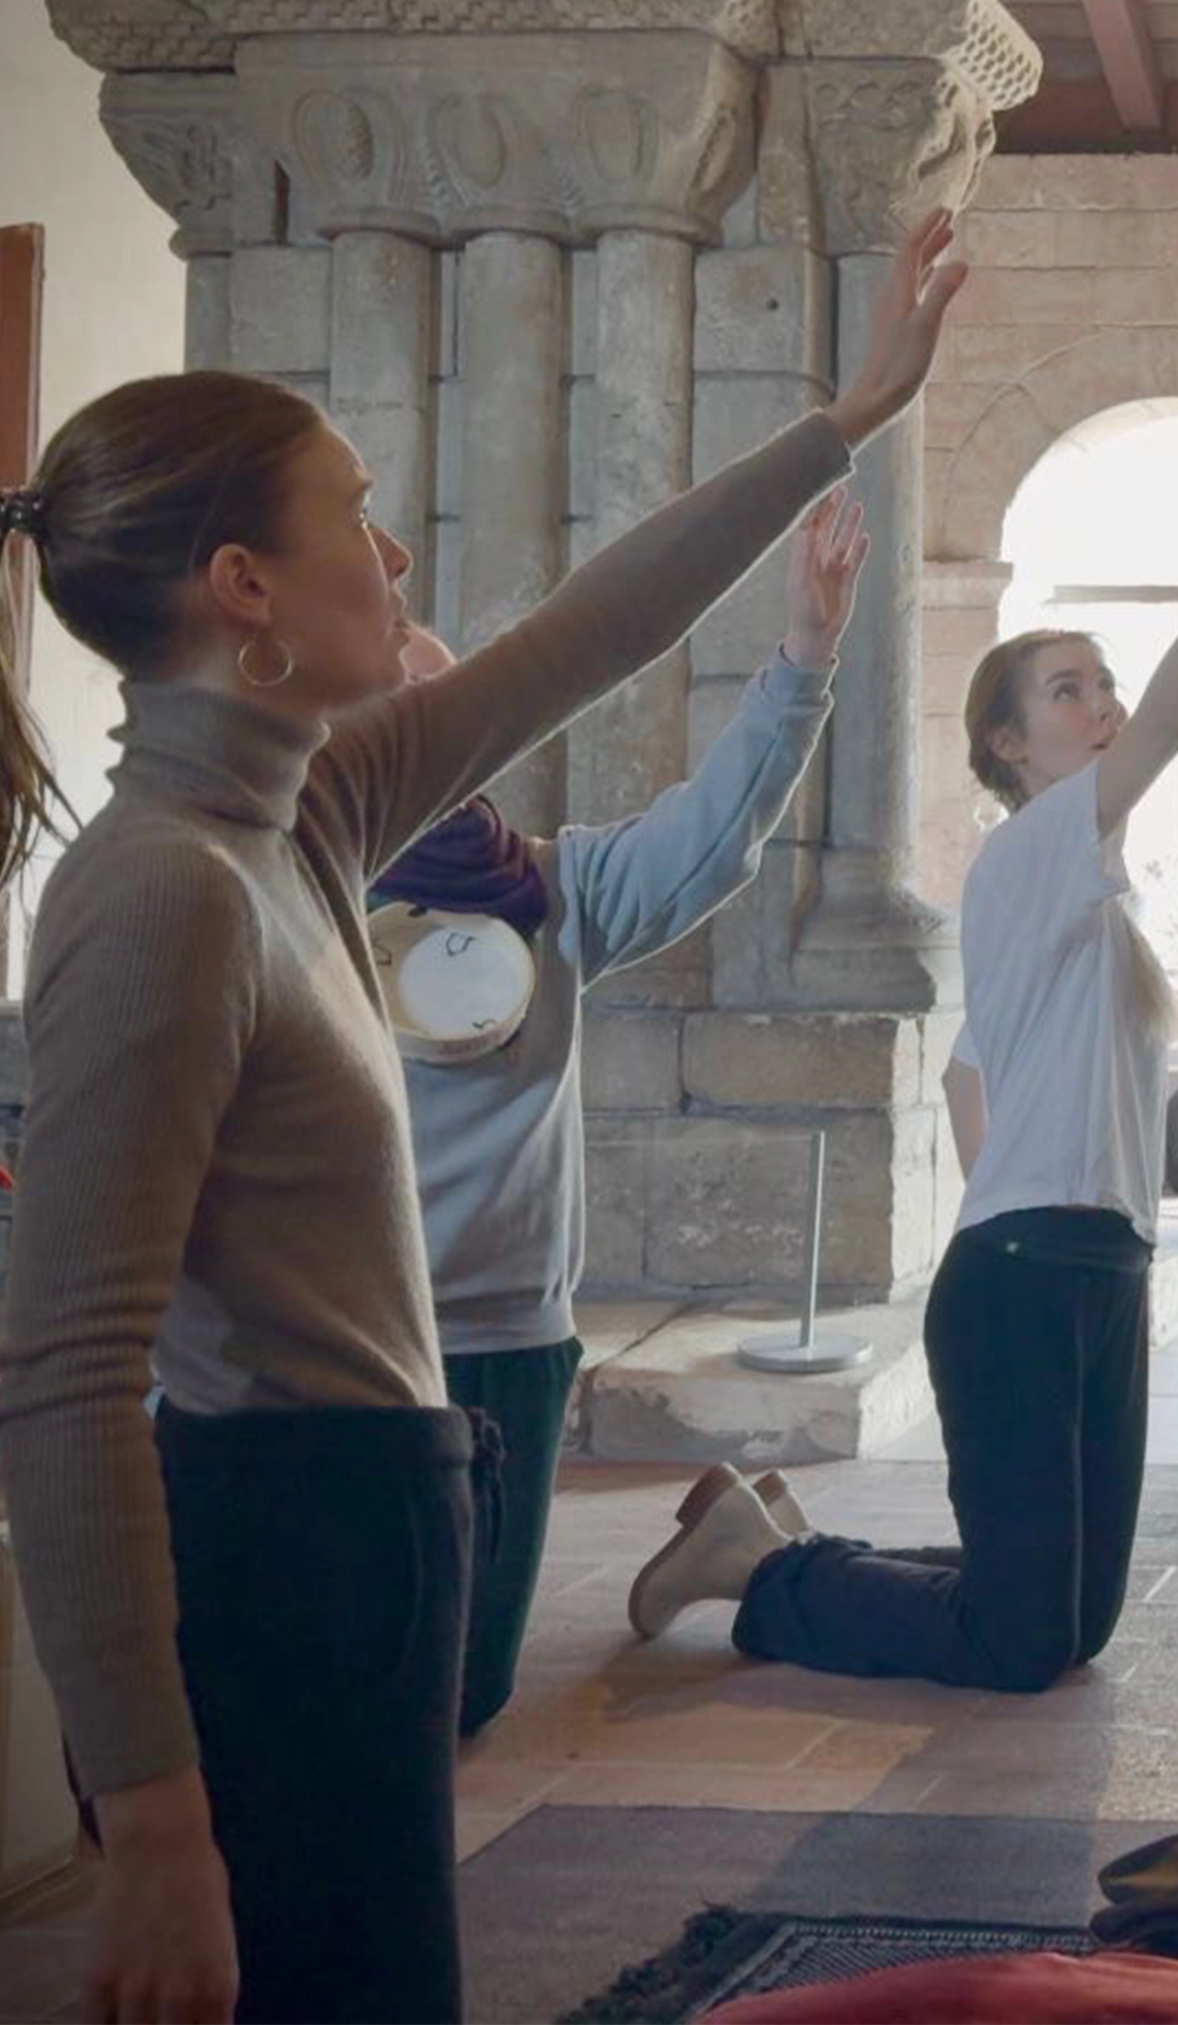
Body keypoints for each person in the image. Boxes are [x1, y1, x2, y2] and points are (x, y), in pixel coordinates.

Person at [0, 204, 969, 2025]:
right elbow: (70, 1375)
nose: (392, 551)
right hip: (279, 1547)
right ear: (244, 583)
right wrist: (156, 1819)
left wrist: (846, 417)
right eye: (353, 512)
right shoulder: (161, 884)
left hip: (378, 1511)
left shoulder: (300, 815)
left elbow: (584, 633)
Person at [625, 365, 1178, 1693]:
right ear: (1005, 745)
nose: (1101, 703)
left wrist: (1016, 1200)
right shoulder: (1036, 851)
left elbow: (964, 1074)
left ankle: (767, 1531)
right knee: (1017, 1646)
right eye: (1067, 690)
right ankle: (763, 1577)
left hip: (1085, 1271)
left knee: (1070, 1627)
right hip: (1029, 1281)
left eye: (1100, 682)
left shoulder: (1080, 911)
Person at [368, 482, 869, 1744]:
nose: (445, 732)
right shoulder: (283, 884)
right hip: (338, 1334)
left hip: (503, 1333)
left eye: (454, 710)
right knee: (362, 1680)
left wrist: (804, 654)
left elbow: (713, 838)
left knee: (465, 1691)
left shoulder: (548, 885)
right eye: (409, 707)